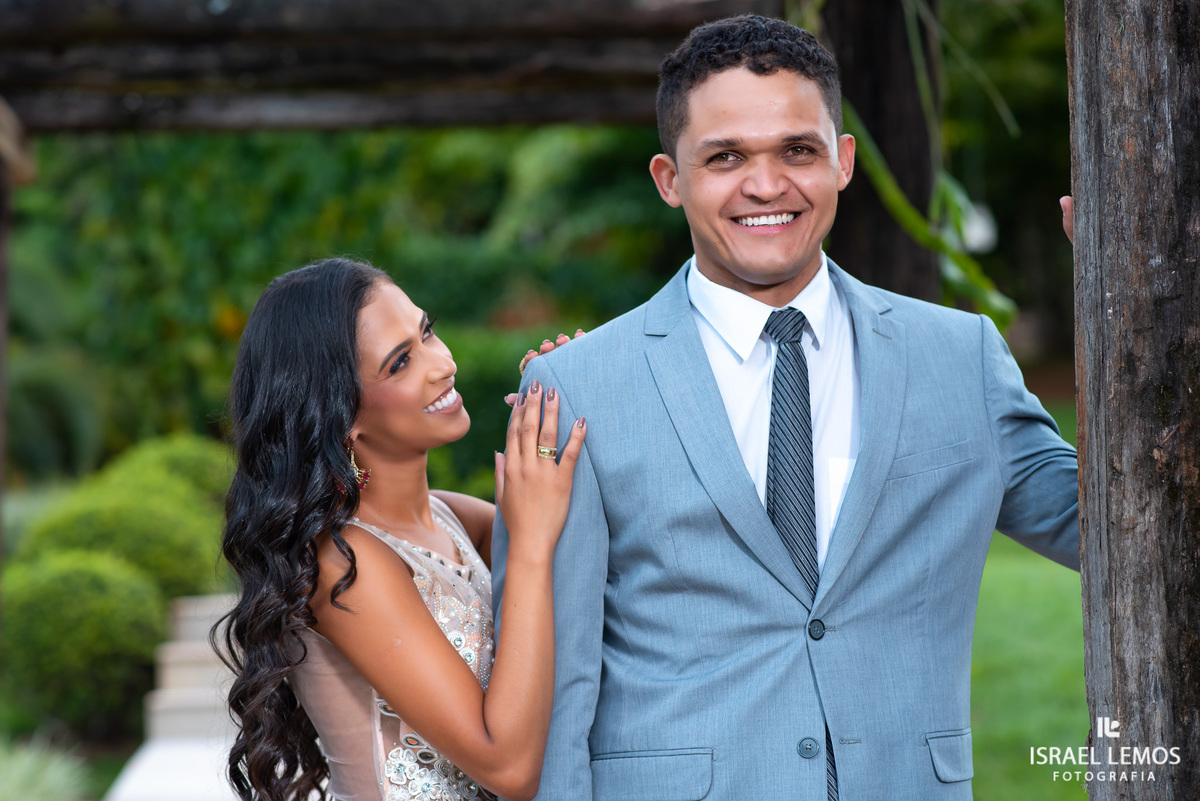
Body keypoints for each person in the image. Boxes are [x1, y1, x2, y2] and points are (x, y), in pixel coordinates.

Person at [492, 15, 1079, 801]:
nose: (767, 185)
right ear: (671, 179)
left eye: (797, 151)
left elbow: (1117, 527)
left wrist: (1142, 298)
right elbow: (555, 689)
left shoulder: (961, 358)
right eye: (726, 156)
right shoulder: (576, 385)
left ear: (842, 162)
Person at [215, 258, 586, 801]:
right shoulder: (342, 564)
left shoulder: (455, 518)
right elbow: (508, 768)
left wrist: (567, 397)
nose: (441, 363)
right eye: (400, 363)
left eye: (427, 331)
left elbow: (582, 551)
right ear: (342, 415)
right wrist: (528, 542)